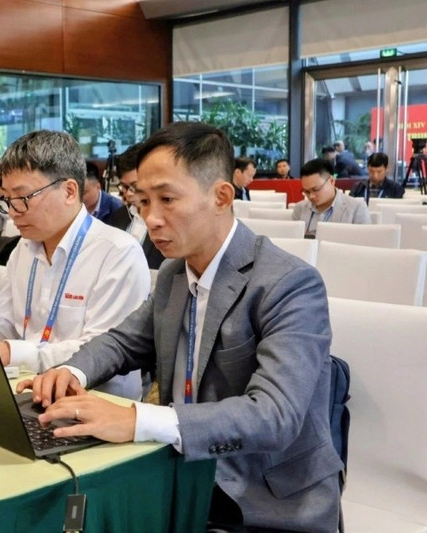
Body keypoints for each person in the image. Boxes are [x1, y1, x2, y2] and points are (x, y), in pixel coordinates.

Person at [20, 122, 342, 532]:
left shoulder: (289, 283)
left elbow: (275, 414)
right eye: (142, 201)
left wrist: (139, 419)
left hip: (262, 499)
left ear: (221, 196)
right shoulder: (175, 273)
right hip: (178, 473)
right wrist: (71, 371)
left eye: (167, 199)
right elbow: (123, 342)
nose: (151, 219)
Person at [0, 130, 149, 401]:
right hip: (27, 392)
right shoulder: (23, 249)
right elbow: (2, 321)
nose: (13, 212)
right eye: (8, 200)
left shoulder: (117, 253)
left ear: (69, 191)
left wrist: (13, 352)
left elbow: (101, 350)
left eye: (23, 198)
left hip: (95, 403)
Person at [104, 143, 164, 269]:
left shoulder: (167, 219)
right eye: (124, 187)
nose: (129, 193)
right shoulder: (119, 216)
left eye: (134, 186)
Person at [292, 158, 371, 237]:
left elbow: (364, 241)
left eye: (316, 190)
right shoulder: (299, 208)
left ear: (332, 181)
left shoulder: (356, 208)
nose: (311, 196)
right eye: (307, 191)